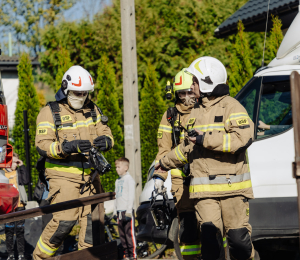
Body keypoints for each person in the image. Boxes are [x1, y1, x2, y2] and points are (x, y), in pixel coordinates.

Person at [155, 56, 255, 260]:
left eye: (194, 82)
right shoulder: (196, 112)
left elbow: (243, 137)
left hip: (232, 190)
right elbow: (186, 148)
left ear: (205, 82)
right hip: (204, 193)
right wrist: (163, 165)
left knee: (239, 243)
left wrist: (205, 139)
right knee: (210, 245)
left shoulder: (231, 106)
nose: (191, 88)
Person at [33, 65, 114, 260]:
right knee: (64, 222)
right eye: (78, 93)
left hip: (91, 177)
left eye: (85, 93)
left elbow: (107, 133)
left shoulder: (93, 109)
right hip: (63, 175)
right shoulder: (50, 111)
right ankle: (39, 258)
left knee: (92, 227)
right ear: (66, 88)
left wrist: (107, 141)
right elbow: (42, 145)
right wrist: (65, 148)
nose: (82, 96)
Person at [152, 68, 201, 259]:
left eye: (190, 91)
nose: (187, 96)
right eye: (182, 93)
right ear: (175, 93)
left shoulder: (204, 110)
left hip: (206, 176)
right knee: (188, 227)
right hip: (181, 180)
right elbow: (163, 150)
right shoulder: (170, 115)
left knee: (211, 224)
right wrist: (159, 177)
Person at [4, 153, 29, 260]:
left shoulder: (19, 172)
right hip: (7, 207)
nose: (15, 164)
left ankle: (21, 254)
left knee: (20, 230)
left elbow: (26, 181)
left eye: (16, 162)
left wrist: (22, 166)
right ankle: (10, 254)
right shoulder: (2, 173)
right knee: (9, 231)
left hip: (19, 205)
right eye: (14, 162)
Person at [113, 157, 137, 260]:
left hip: (127, 212)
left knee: (129, 234)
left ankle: (133, 255)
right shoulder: (117, 181)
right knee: (122, 235)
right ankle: (126, 255)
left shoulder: (129, 180)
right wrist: (115, 211)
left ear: (126, 168)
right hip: (119, 212)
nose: (116, 169)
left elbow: (131, 196)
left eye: (119, 167)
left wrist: (128, 211)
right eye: (116, 167)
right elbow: (116, 197)